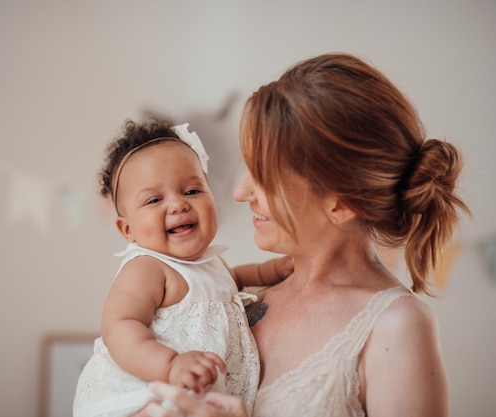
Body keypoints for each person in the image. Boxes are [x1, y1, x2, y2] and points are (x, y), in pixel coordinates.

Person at [144, 52, 470, 417]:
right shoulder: (238, 298)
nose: (240, 192)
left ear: (340, 203)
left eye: (264, 175)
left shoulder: (396, 327)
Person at [73, 119, 292, 417]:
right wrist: (169, 364)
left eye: (191, 191)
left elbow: (236, 279)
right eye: (154, 199)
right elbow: (120, 326)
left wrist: (274, 270)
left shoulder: (209, 264)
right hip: (142, 394)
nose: (177, 205)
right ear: (128, 230)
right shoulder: (147, 268)